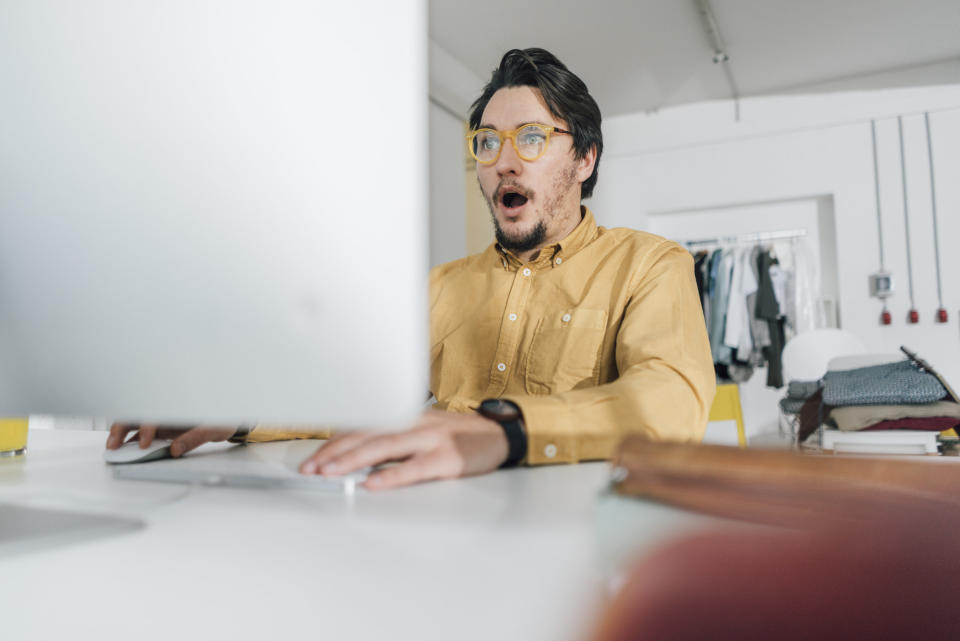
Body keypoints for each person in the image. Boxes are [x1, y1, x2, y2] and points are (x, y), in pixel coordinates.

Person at [107, 48, 715, 490]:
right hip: (431, 531)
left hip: (575, 550)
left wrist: (506, 429)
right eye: (487, 141)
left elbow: (670, 398)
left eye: (531, 138)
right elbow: (350, 386)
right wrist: (238, 409)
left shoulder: (650, 265)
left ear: (584, 157)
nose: (503, 162)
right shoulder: (441, 288)